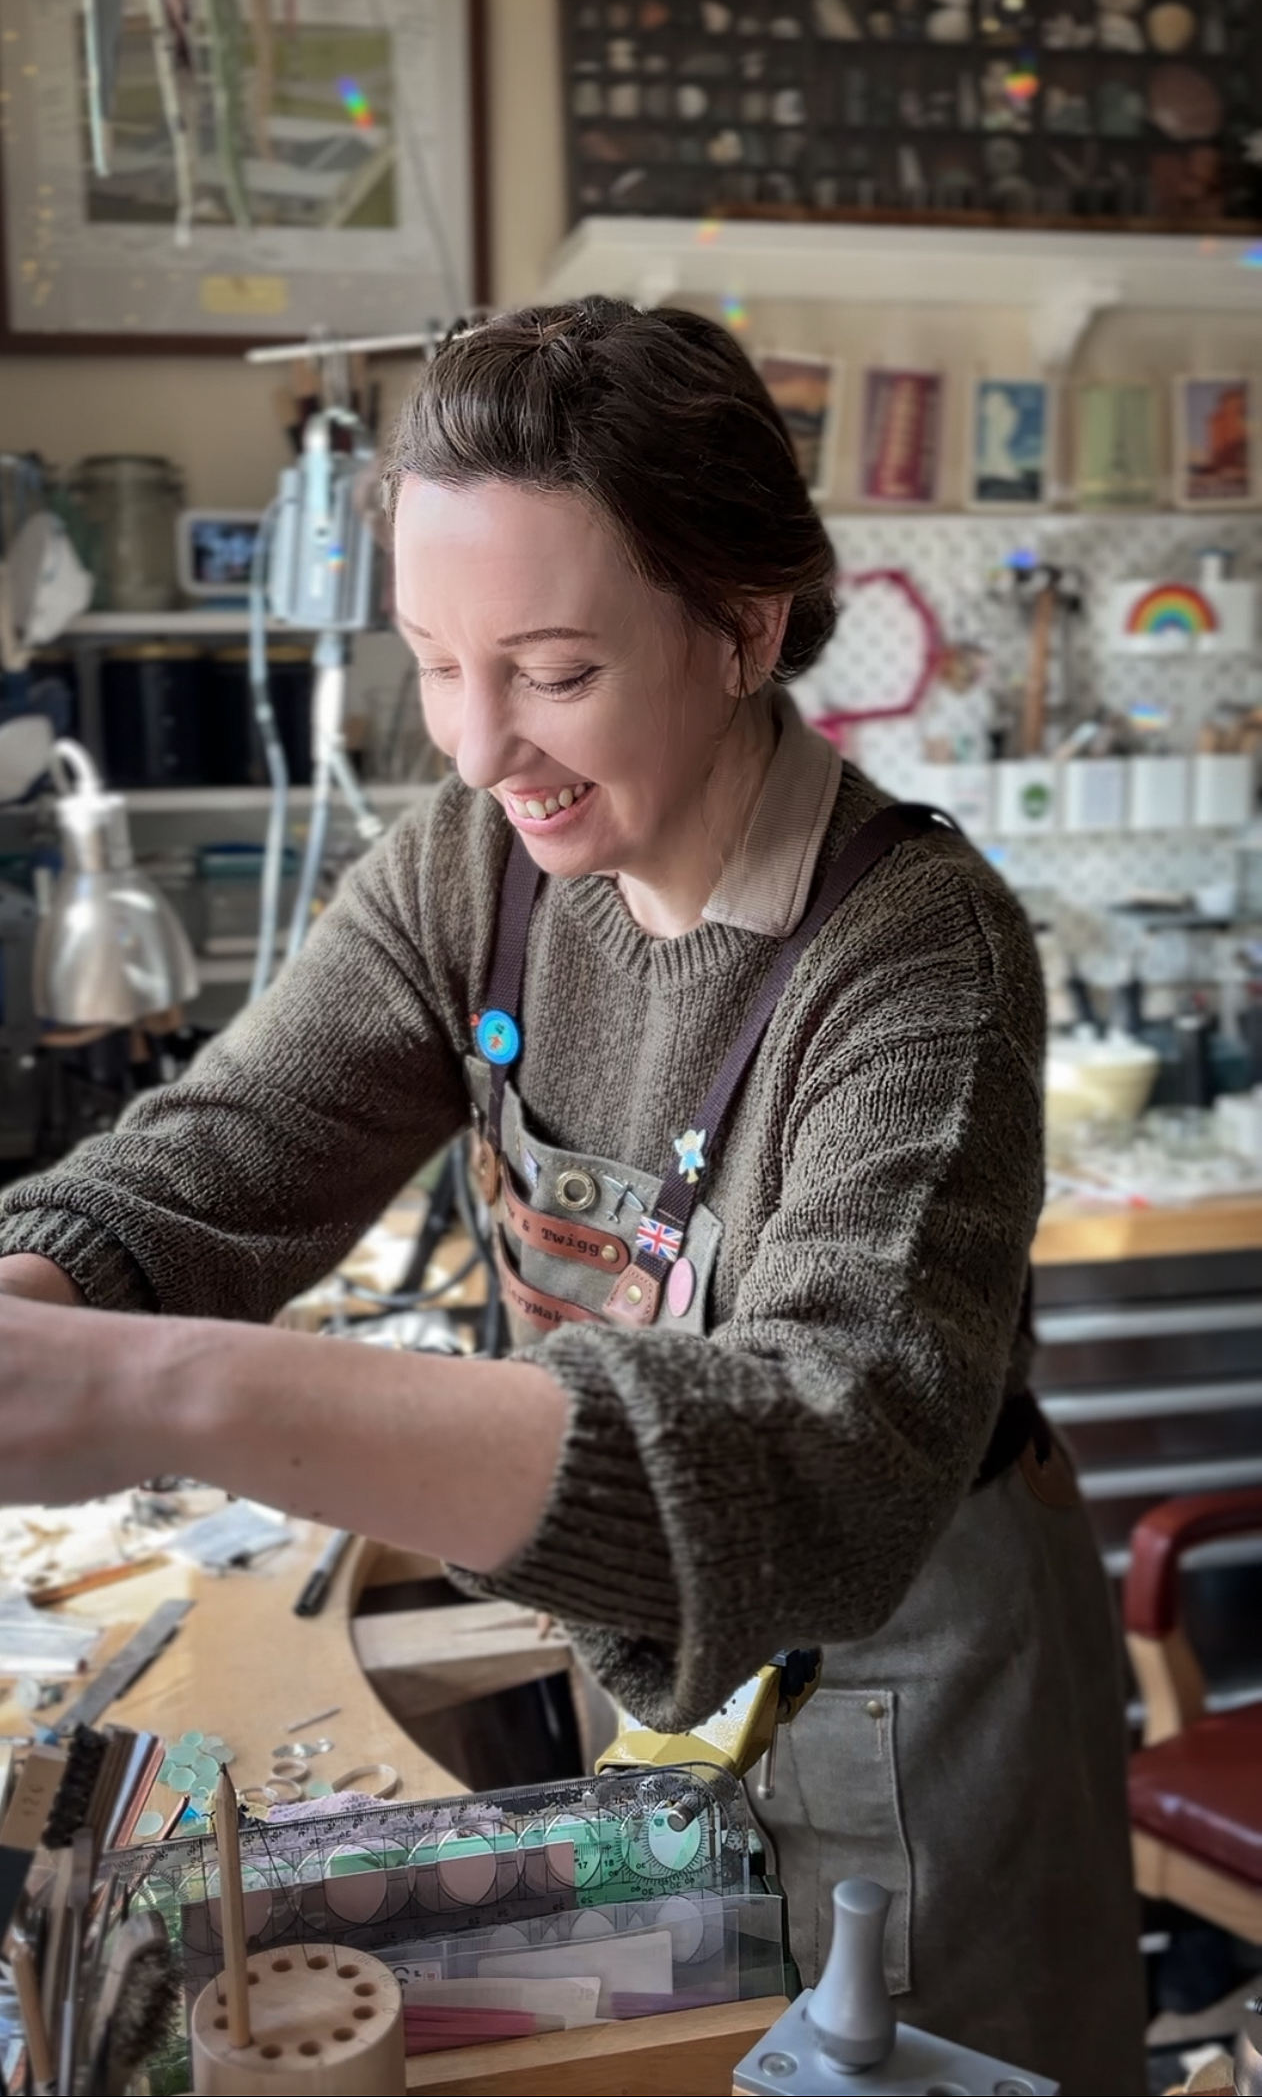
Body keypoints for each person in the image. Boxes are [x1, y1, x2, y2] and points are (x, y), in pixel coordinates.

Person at [0, 299, 1144, 2092]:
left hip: (913, 1673)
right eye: (432, 662)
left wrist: (161, 1392)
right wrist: (38, 1299)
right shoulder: (478, 863)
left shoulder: (919, 953)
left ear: (742, 628)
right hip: (652, 1656)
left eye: (547, 669)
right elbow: (232, 1151)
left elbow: (827, 1454)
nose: (474, 745)